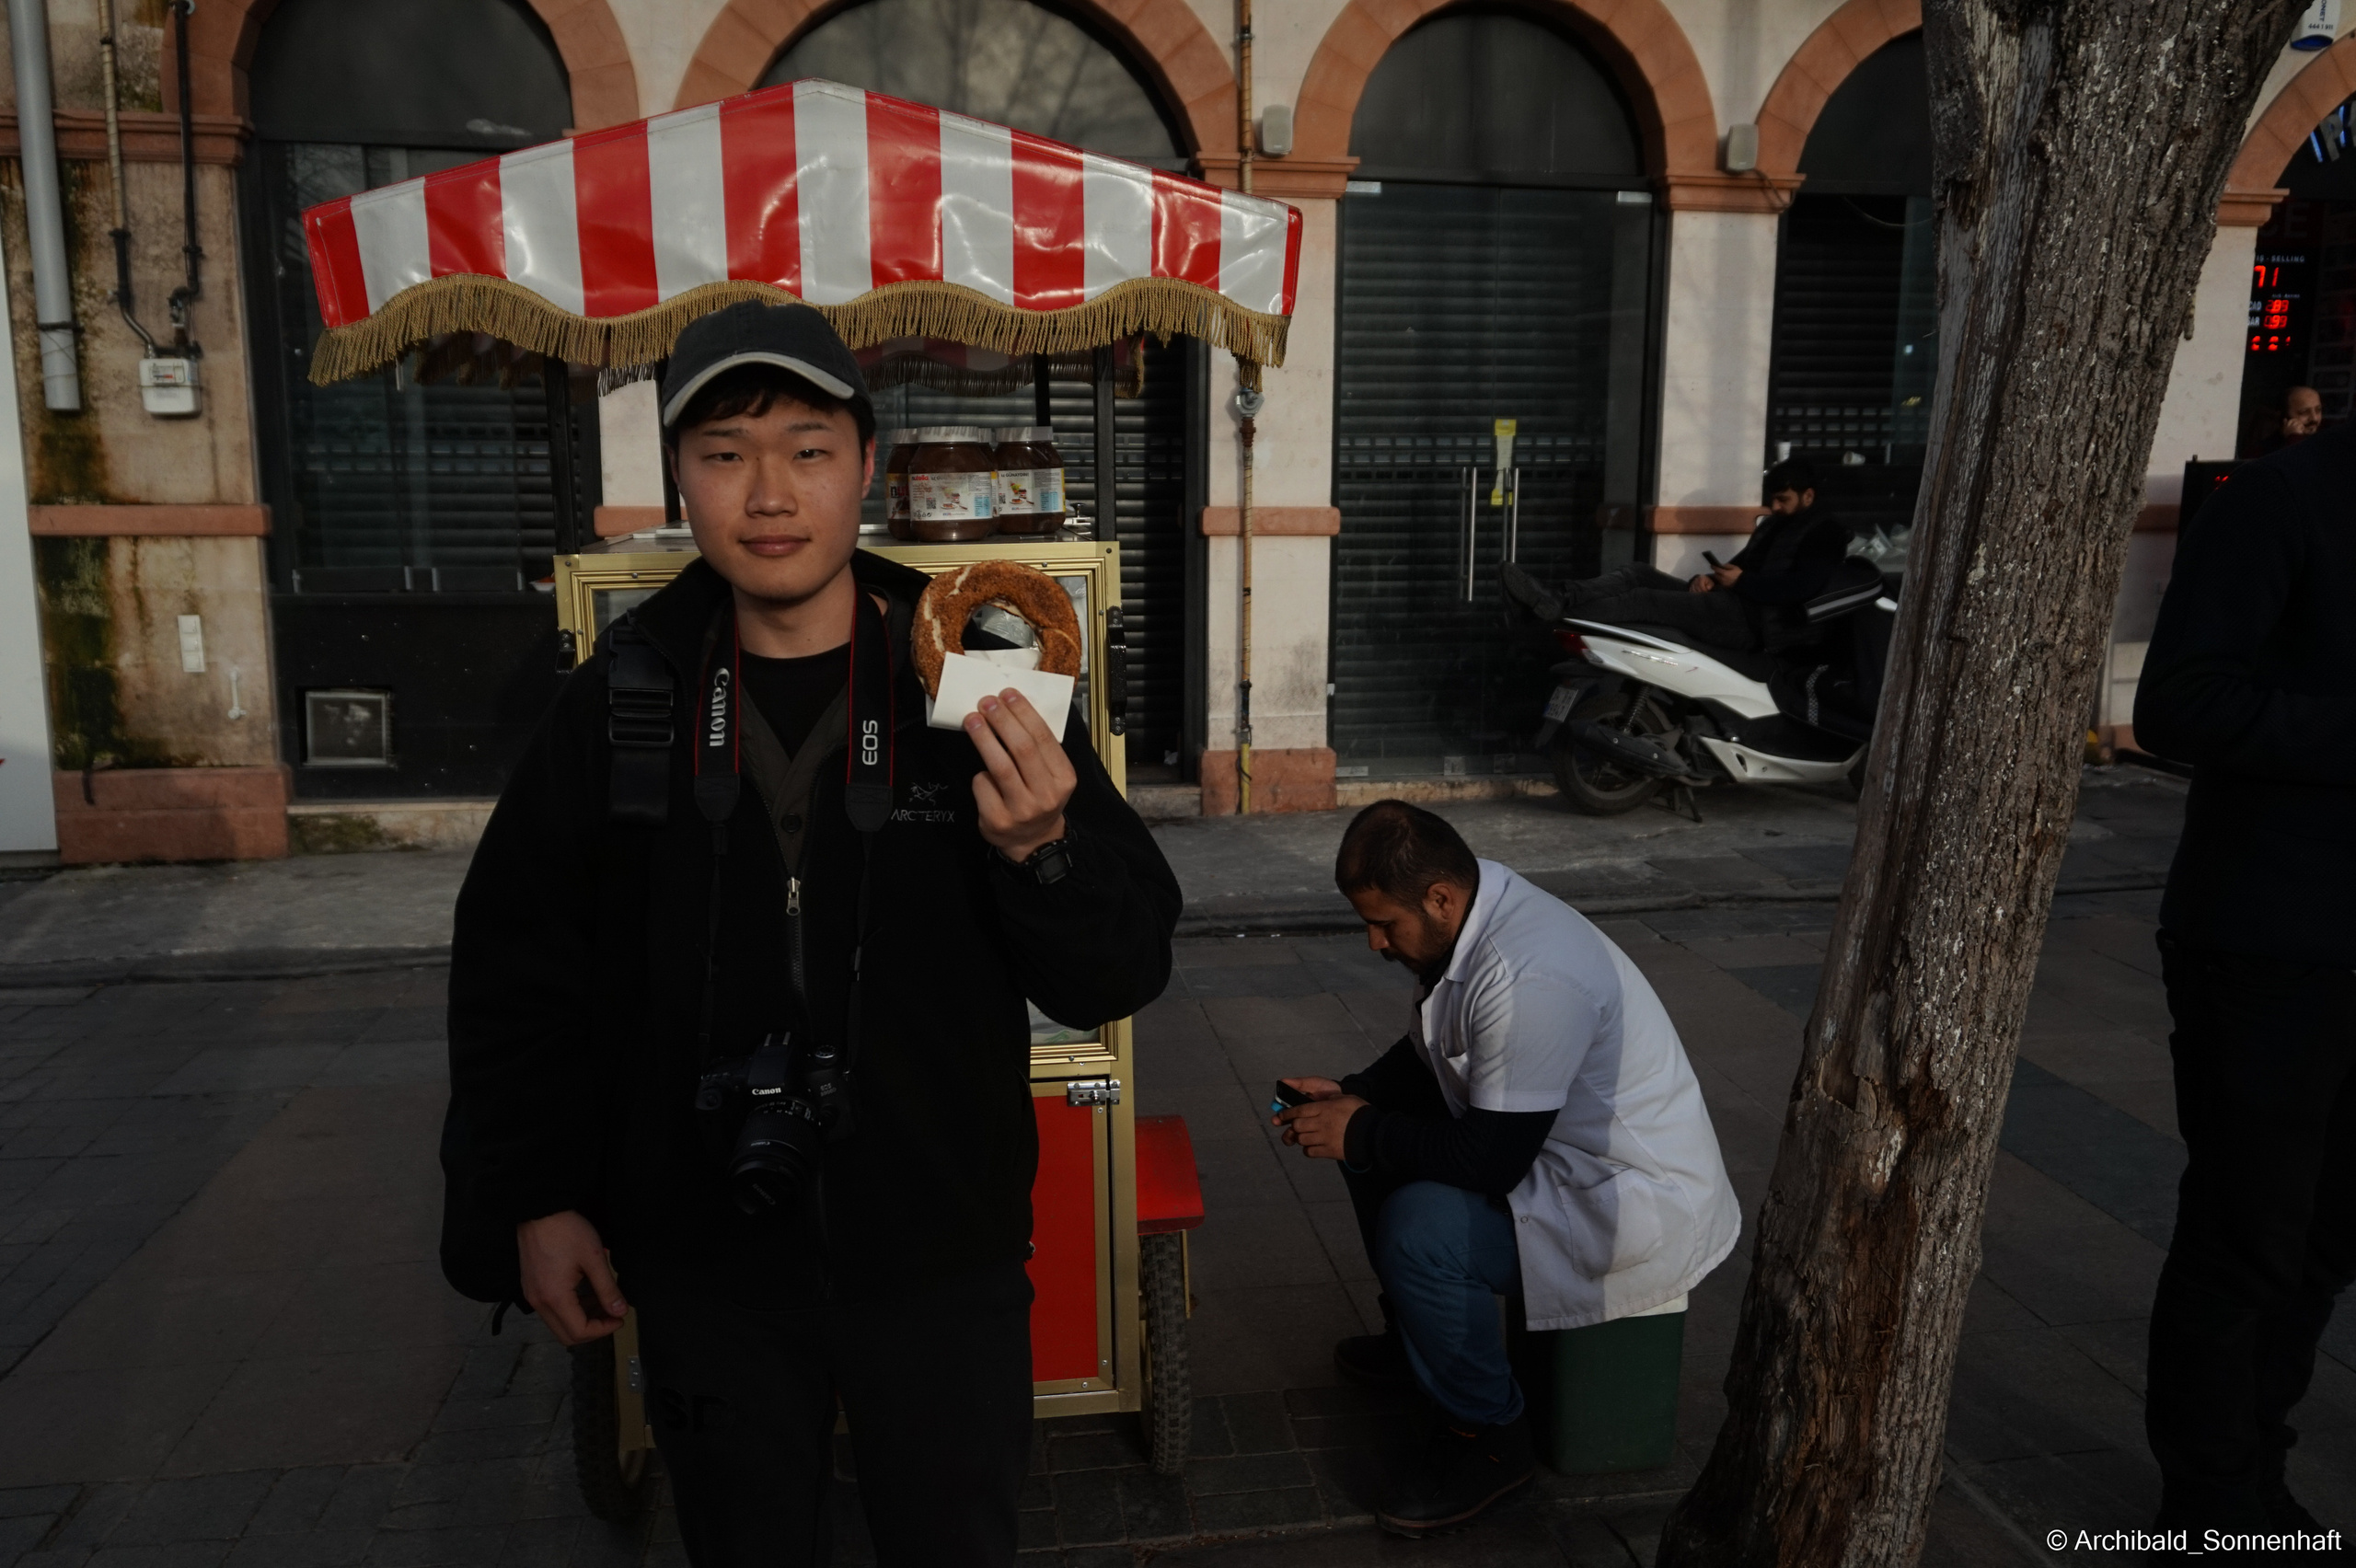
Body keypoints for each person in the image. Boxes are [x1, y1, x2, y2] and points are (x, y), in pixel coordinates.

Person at [443, 301, 1182, 1565]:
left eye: (807, 447)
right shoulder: (619, 695)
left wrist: (1041, 856)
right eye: (725, 452)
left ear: (869, 468)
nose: (769, 492)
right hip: (702, 1258)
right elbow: (521, 974)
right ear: (679, 474)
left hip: (938, 1255)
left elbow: (1121, 964)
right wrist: (537, 1197)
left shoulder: (980, 673)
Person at [1274, 801, 1739, 1539]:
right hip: (1550, 1161)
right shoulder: (1471, 919)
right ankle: (1417, 1341)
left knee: (1418, 1229)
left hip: (1625, 1202)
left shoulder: (1531, 974)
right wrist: (1353, 1094)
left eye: (1383, 924)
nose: (1373, 942)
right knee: (1365, 1147)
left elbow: (1488, 1163)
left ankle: (1487, 1437)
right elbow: (1433, 1050)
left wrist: (1362, 1129)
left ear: (1440, 899)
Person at [2134, 417, 2355, 1535]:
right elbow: (2177, 704)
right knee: (2248, 1235)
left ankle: (2258, 1476)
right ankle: (2212, 1512)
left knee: (2326, 1236)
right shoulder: (2278, 501)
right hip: (2268, 941)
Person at [1500, 458, 1849, 654]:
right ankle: (1556, 598)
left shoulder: (1825, 533)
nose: (1774, 507)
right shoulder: (1774, 526)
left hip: (1755, 623)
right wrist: (1712, 578)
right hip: (1730, 601)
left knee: (1642, 600)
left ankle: (1548, 616)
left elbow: (1800, 588)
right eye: (1772, 499)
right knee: (1636, 573)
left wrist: (1742, 582)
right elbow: (1744, 562)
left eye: (1783, 500)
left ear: (1808, 496)